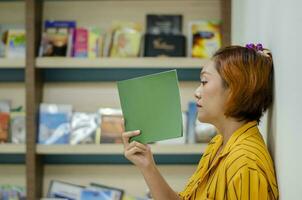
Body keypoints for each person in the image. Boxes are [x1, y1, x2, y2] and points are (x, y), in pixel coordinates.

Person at [122, 44, 279, 200]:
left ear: (234, 90)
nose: (197, 92)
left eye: (204, 82)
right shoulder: (218, 143)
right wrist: (147, 165)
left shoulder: (245, 163)